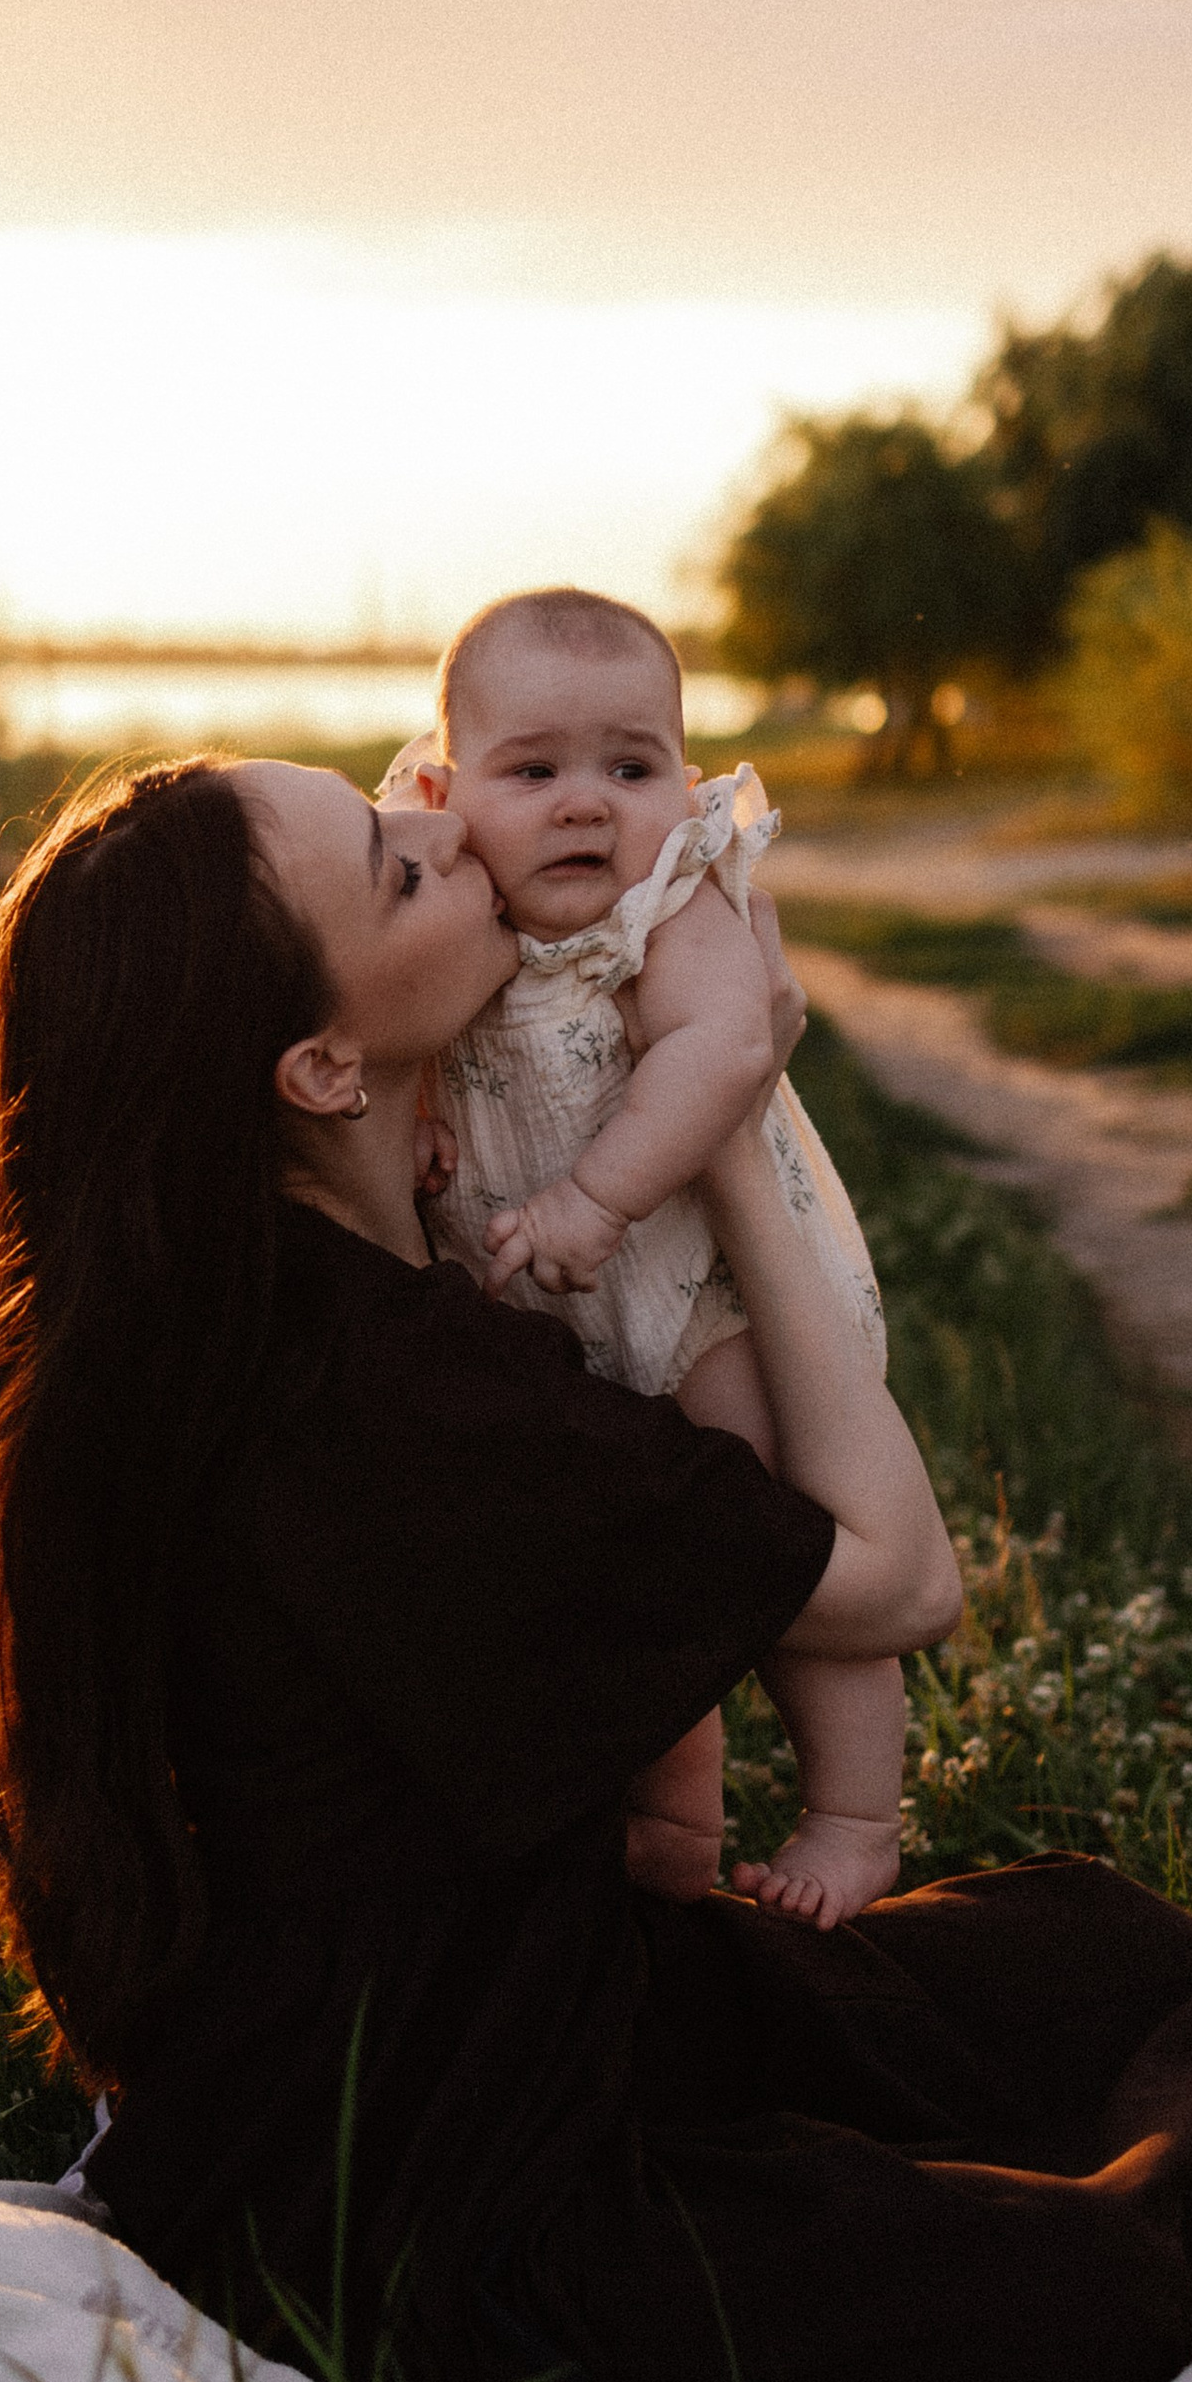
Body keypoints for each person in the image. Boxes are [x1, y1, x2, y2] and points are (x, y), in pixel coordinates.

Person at [0, 755, 1192, 2382]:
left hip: (425, 2032)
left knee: (1097, 1960)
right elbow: (904, 1581)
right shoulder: (407, 1405)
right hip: (433, 2179)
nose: (450, 826)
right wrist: (733, 1118)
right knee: (1075, 2294)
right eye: (395, 869)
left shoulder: (210, 1323)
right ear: (323, 1068)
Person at [382, 586, 903, 1930]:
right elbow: (414, 1023)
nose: (585, 807)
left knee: (780, 1534)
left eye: (631, 767)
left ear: (686, 780)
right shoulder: (459, 906)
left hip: (701, 1291)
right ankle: (675, 1819)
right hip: (554, 1311)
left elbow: (727, 1047)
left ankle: (855, 1815)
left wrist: (597, 1199)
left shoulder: (668, 905)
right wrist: (422, 1108)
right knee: (623, 1572)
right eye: (533, 772)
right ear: (444, 789)